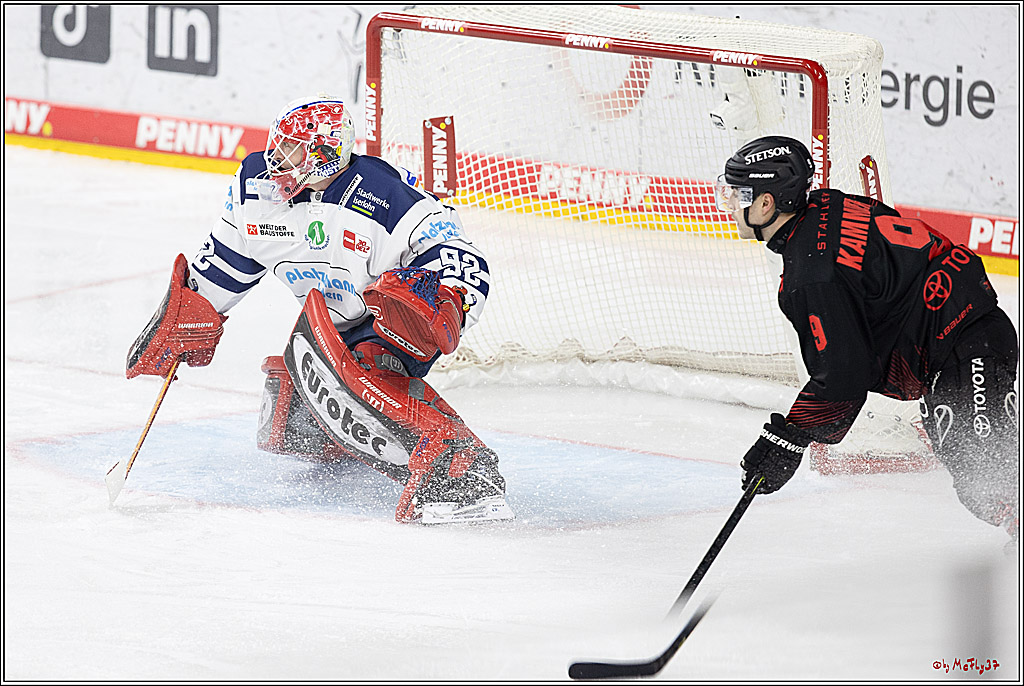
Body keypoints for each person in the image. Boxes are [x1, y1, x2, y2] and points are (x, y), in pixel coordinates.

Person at [125, 94, 513, 524]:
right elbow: (226, 260)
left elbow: (457, 251)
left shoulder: (382, 193)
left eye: (291, 150)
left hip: (391, 323)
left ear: (325, 153)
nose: (276, 160)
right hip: (333, 324)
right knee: (290, 414)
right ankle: (340, 435)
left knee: (356, 370)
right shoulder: (256, 189)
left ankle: (460, 467)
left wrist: (449, 297)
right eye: (277, 147)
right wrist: (191, 313)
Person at [716, 135, 1019, 545]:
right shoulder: (826, 204)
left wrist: (787, 439)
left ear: (767, 203)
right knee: (989, 471)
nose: (731, 206)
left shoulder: (811, 275)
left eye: (738, 194)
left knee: (987, 478)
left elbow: (844, 375)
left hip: (966, 342)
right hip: (965, 338)